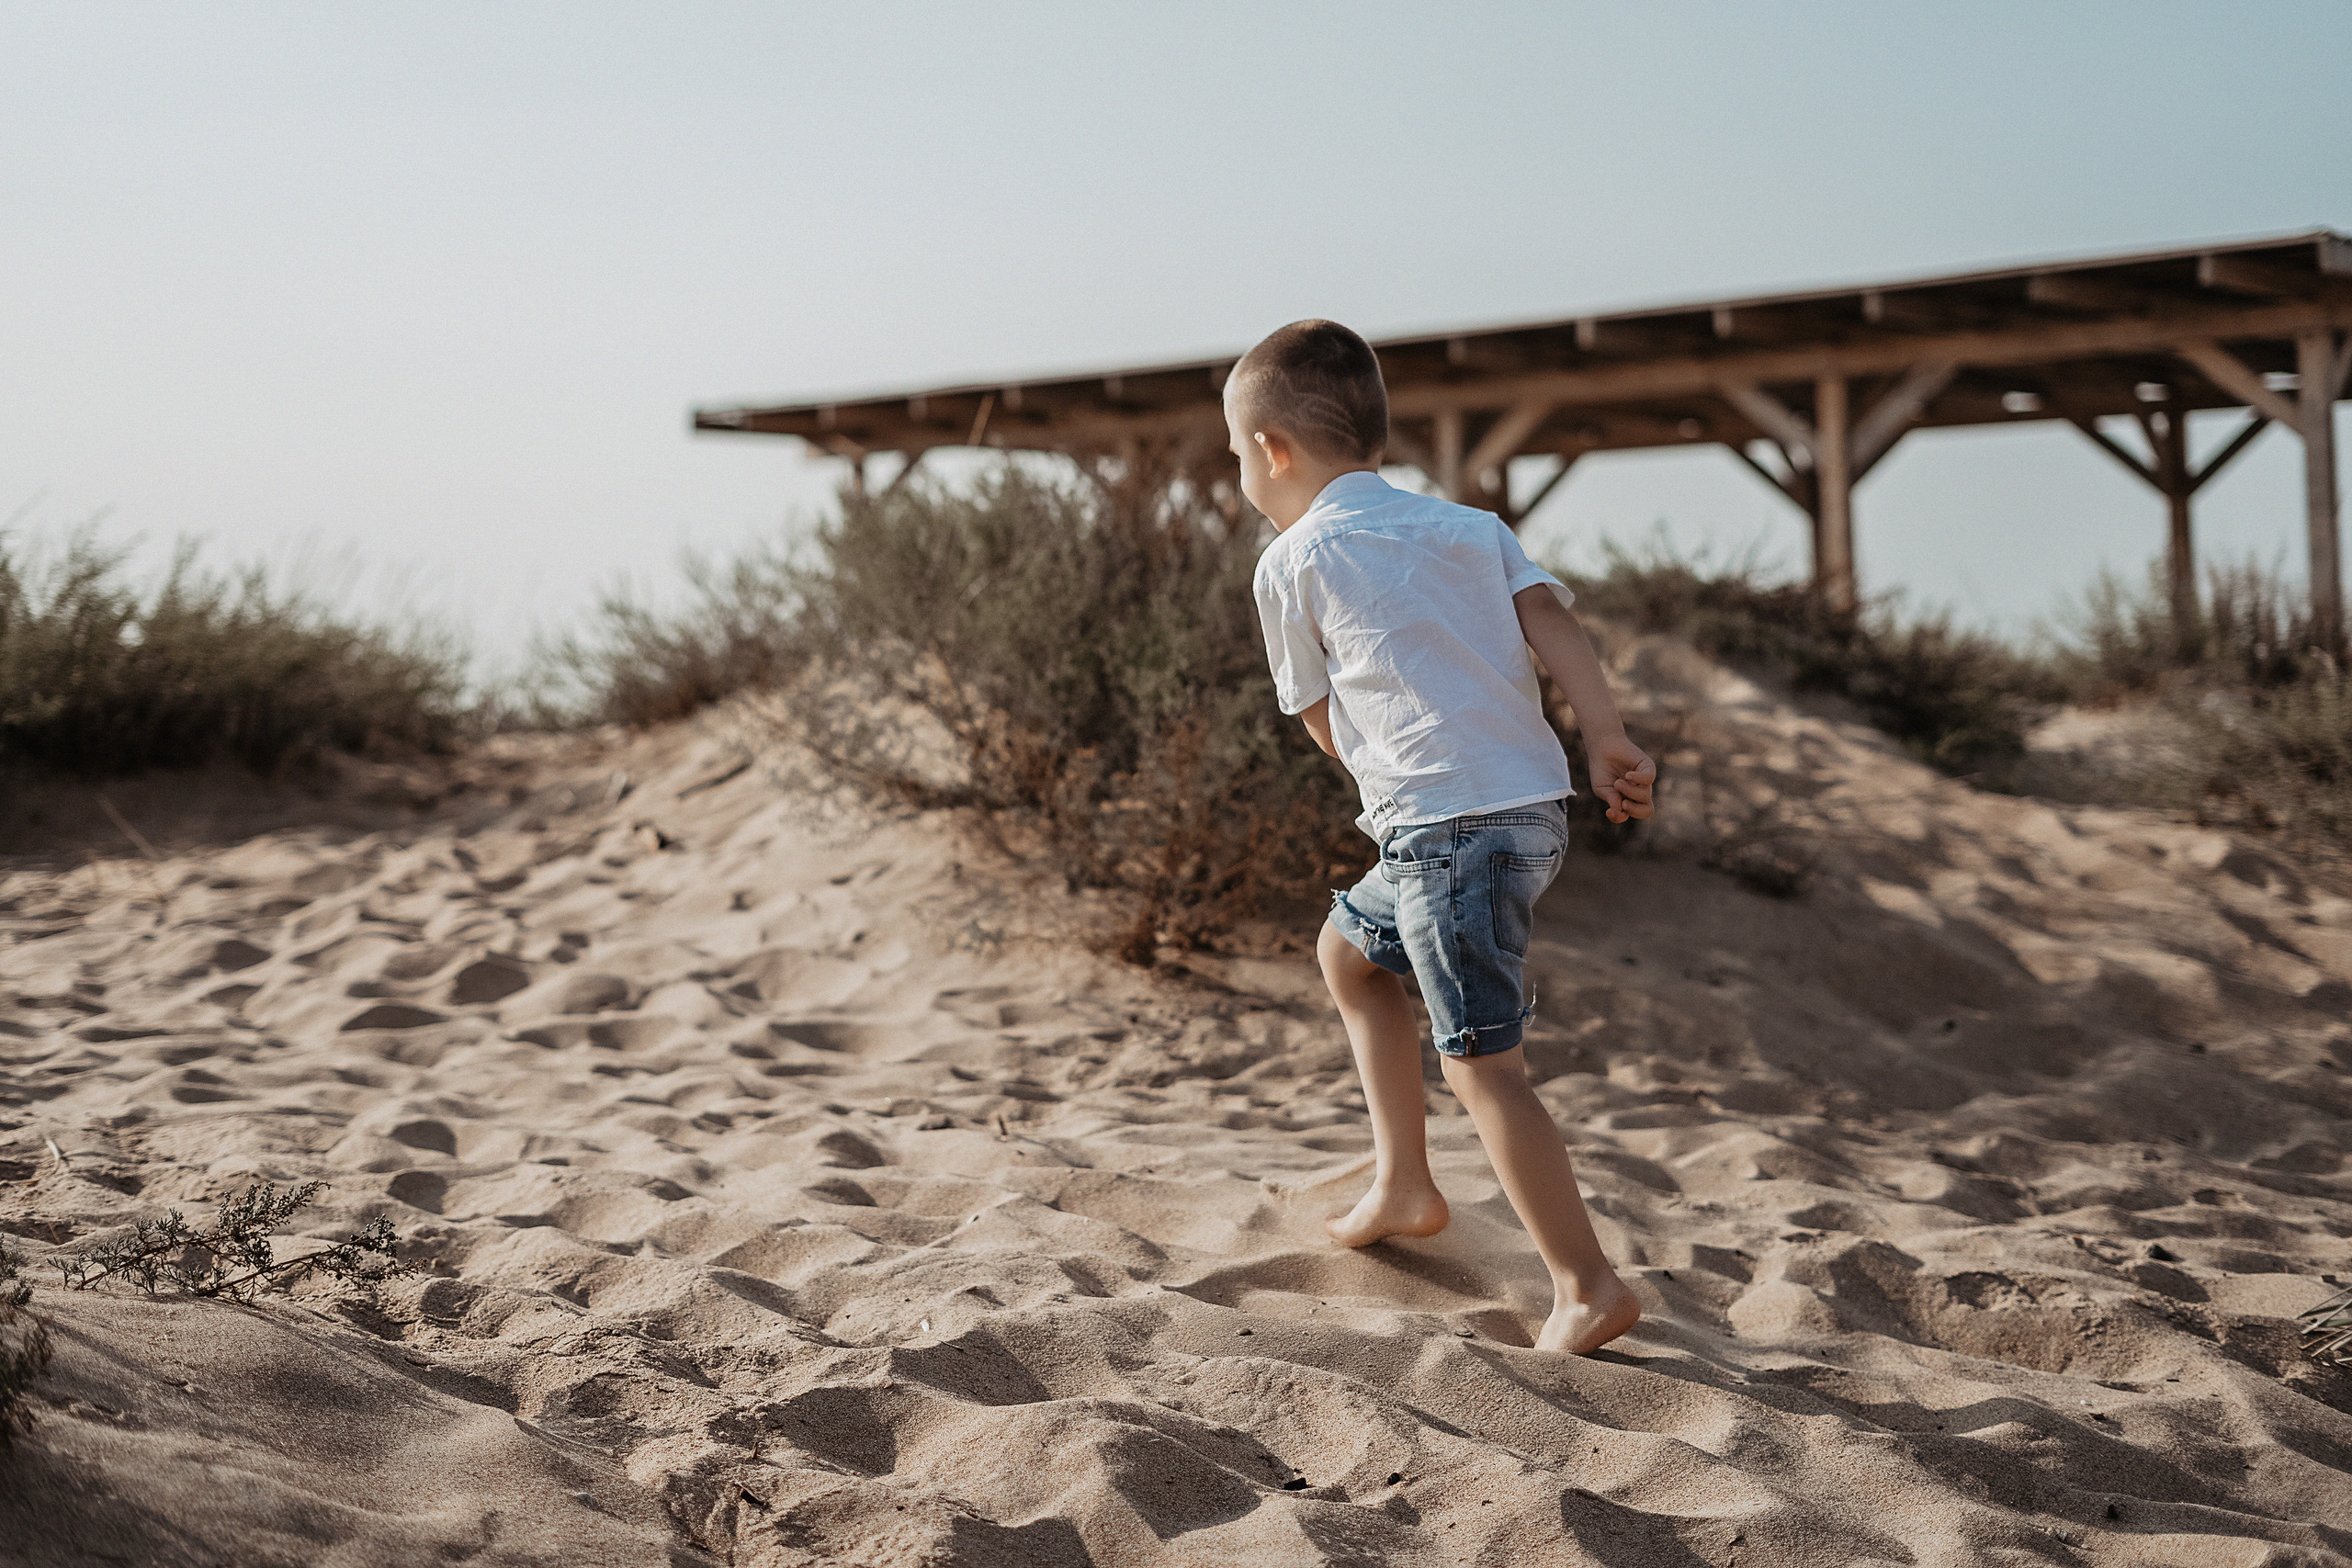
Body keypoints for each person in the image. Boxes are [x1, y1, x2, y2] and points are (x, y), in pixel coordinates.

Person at [1232, 319, 1656, 1356]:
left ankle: (1585, 1284)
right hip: (1527, 815)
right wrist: (1604, 734)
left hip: (1441, 835)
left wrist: (1381, 785)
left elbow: (1319, 714)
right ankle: (1404, 1181)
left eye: (1238, 452)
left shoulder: (1290, 562)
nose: (1242, 472)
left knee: (1484, 1066)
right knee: (1349, 956)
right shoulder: (1470, 528)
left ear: (1274, 452)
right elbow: (1552, 625)